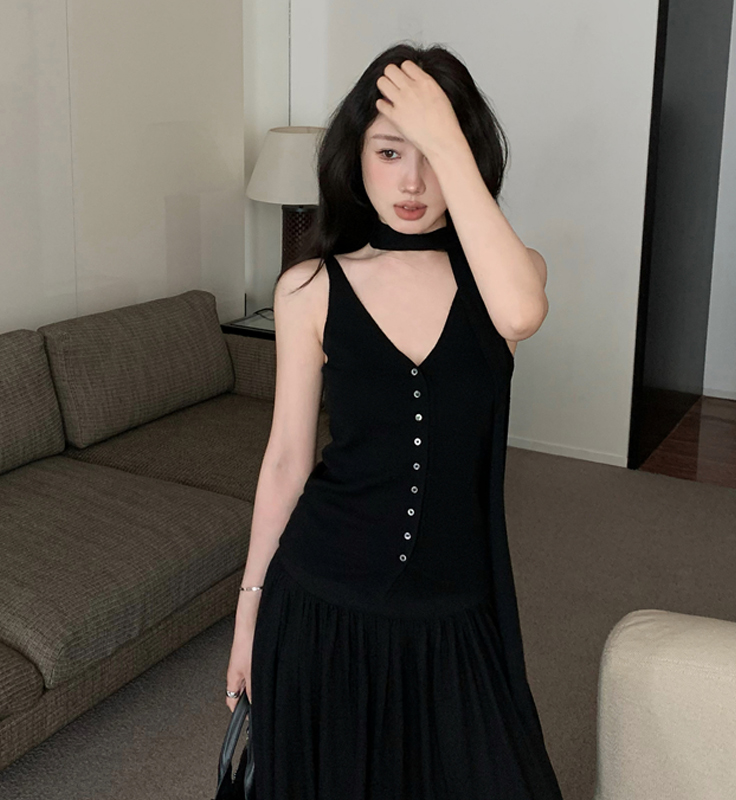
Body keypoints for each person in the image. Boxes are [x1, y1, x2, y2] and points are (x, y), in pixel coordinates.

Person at [226, 42, 564, 799]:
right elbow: (286, 460)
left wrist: (449, 136)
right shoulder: (309, 287)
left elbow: (522, 313)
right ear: (356, 158)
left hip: (455, 612)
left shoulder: (505, 279)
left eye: (433, 155)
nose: (411, 182)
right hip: (321, 600)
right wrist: (249, 613)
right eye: (388, 152)